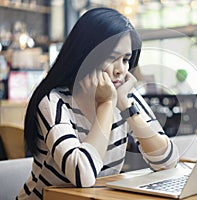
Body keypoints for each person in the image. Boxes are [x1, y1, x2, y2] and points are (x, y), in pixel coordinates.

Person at [18, 8, 179, 199]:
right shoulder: (55, 102)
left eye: (126, 59)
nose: (121, 70)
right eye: (112, 58)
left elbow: (168, 162)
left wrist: (127, 108)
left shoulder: (124, 96)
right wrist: (106, 104)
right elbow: (82, 175)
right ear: (85, 55)